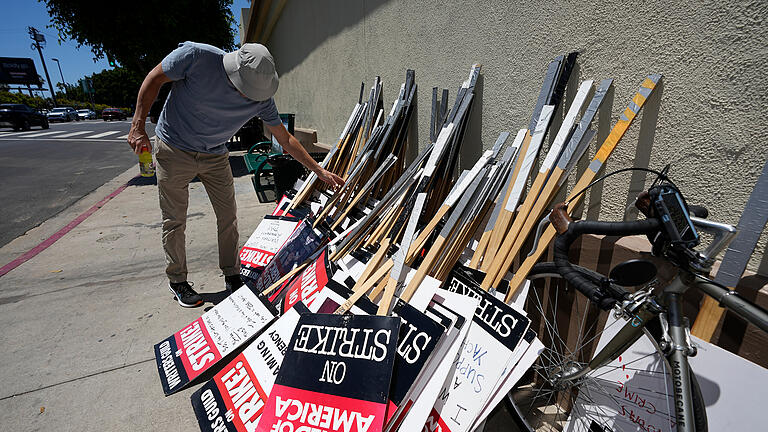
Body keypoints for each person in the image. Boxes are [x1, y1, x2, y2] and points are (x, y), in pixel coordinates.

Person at [127, 42, 344, 308]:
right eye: (245, 91)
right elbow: (154, 78)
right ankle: (178, 281)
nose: (248, 98)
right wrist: (137, 126)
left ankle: (232, 274)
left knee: (228, 215)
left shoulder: (262, 99)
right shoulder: (196, 57)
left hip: (215, 154)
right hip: (174, 146)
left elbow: (285, 139)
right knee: (175, 219)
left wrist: (318, 170)